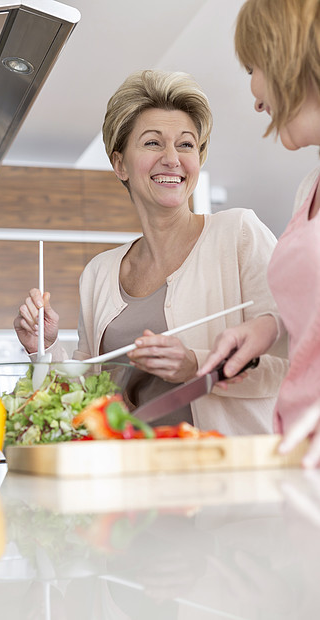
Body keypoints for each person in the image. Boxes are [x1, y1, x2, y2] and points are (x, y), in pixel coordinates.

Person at [14, 69, 288, 436]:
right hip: (132, 479)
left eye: (187, 144)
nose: (173, 158)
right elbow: (85, 398)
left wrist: (196, 366)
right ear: (120, 163)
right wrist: (43, 349)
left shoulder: (238, 233)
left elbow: (292, 361)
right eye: (153, 143)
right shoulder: (100, 272)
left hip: (232, 478)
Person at [198, 0, 320, 464]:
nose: (254, 97)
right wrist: (268, 328)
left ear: (289, 55)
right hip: (301, 458)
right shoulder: (309, 188)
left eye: (253, 67)